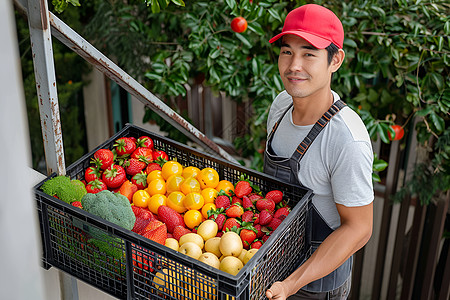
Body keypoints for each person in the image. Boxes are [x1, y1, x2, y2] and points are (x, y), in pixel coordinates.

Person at [264, 4, 374, 300]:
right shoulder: (280, 106)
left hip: (313, 287)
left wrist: (291, 285)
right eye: (287, 51)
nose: (293, 66)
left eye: (309, 54)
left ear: (335, 60)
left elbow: (359, 229)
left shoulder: (346, 139)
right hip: (268, 267)